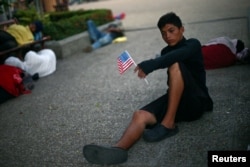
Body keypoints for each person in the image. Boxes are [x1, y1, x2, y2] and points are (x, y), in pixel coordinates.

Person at [83, 12, 213, 165]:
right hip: (176, 101)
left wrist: (151, 64)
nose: (167, 36)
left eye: (171, 31)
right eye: (163, 33)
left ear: (182, 29)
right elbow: (168, 58)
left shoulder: (193, 44)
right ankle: (118, 150)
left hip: (195, 101)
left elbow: (178, 55)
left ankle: (168, 124)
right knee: (140, 115)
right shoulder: (166, 51)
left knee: (175, 64)